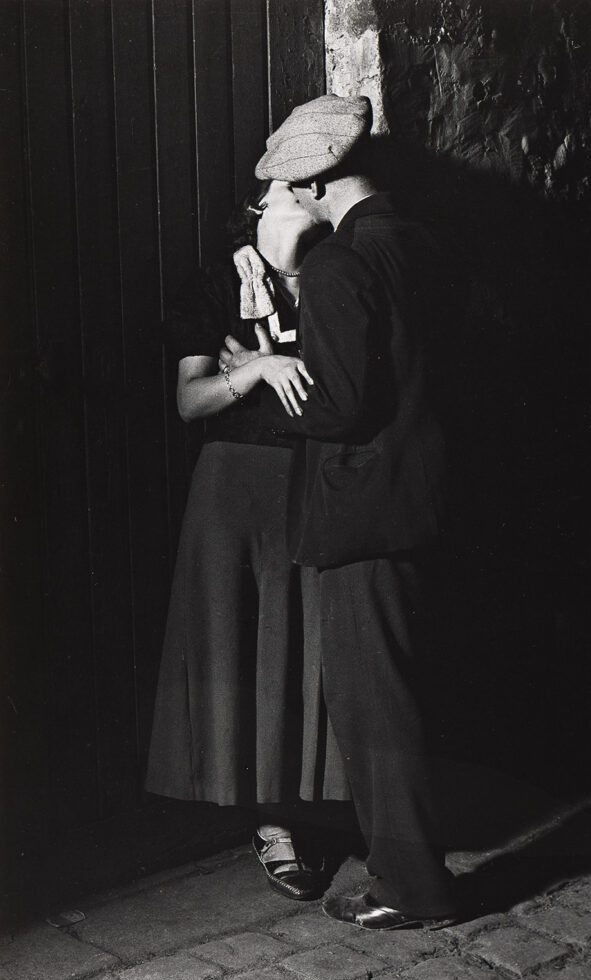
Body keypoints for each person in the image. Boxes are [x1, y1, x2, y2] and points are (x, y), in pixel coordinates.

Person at [220, 94, 460, 929]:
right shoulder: (415, 241)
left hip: (364, 511)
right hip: (423, 497)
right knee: (403, 689)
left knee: (374, 705)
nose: (285, 202)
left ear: (319, 181)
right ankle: (414, 868)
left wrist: (273, 357)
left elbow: (338, 407)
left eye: (290, 187)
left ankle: (413, 886)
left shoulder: (334, 264)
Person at [145, 178, 348, 902]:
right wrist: (258, 370)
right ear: (258, 213)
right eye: (284, 194)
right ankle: (274, 825)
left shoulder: (337, 276)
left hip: (315, 482)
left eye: (306, 191)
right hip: (236, 489)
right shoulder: (216, 287)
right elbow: (190, 400)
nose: (303, 202)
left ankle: (320, 802)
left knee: (312, 646)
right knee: (251, 649)